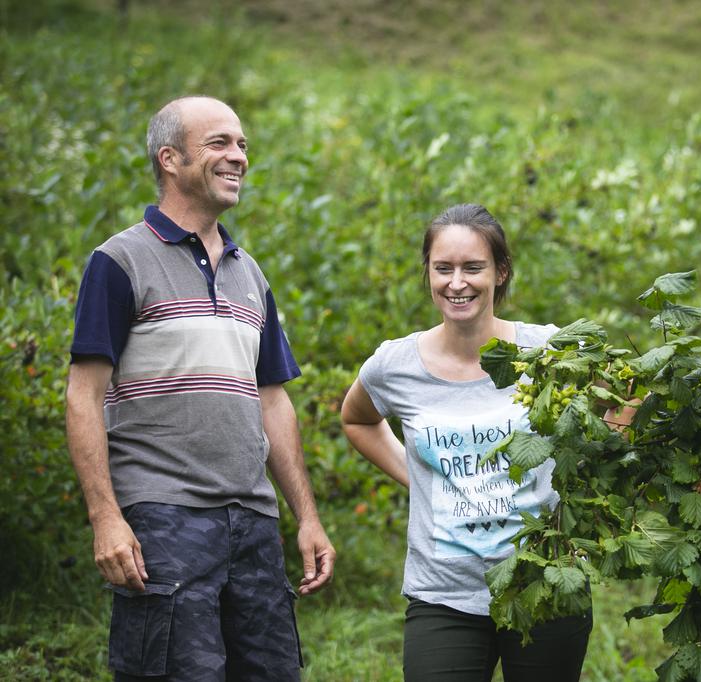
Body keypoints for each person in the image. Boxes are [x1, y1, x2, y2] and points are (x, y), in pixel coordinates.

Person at [65, 95, 335, 682]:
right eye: (219, 143)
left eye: (241, 145)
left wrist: (305, 517)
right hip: (163, 518)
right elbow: (82, 396)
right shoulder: (119, 260)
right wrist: (105, 518)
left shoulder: (249, 272)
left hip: (253, 520)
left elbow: (272, 400)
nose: (237, 156)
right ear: (170, 158)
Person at [341, 204, 592, 682]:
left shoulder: (550, 352)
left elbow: (622, 406)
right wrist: (416, 477)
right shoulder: (395, 366)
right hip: (444, 596)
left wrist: (588, 489)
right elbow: (357, 420)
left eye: (473, 267)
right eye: (444, 268)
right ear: (429, 273)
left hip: (546, 585)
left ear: (500, 273)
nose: (457, 283)